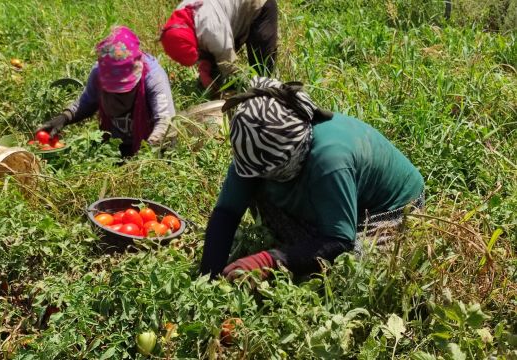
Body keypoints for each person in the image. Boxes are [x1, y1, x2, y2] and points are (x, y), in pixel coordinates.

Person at [200, 77, 425, 280]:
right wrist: (208, 276)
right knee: (255, 186)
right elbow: (226, 215)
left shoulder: (330, 160)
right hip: (332, 190)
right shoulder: (255, 151)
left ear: (294, 154)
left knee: (349, 268)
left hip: (389, 210)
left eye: (275, 171)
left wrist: (270, 261)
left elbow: (339, 241)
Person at [37, 26, 175, 157]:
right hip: (117, 145)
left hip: (151, 147)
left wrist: (146, 155)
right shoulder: (100, 72)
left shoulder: (153, 77)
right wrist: (64, 117)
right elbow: (87, 102)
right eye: (111, 91)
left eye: (122, 92)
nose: (115, 99)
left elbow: (166, 122)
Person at [160, 0, 278, 90]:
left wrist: (233, 91)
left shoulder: (212, 30)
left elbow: (231, 71)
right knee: (214, 75)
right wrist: (204, 69)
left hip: (258, 6)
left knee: (261, 72)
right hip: (224, 16)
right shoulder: (178, 22)